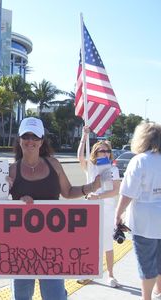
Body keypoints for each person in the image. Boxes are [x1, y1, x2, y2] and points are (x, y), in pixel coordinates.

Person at [9, 117, 100, 300]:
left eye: (35, 137)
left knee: (54, 296)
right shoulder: (11, 171)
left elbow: (67, 191)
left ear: (42, 141)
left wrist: (90, 187)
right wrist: (18, 202)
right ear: (19, 140)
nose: (30, 141)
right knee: (20, 296)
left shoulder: (54, 164)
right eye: (26, 136)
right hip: (21, 247)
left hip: (52, 247)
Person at [115, 122, 161, 300]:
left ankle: (146, 297)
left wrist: (118, 214)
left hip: (144, 220)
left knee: (146, 262)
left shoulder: (140, 160)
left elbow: (127, 193)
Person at [77, 126, 121, 287]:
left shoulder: (114, 169)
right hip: (91, 209)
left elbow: (116, 190)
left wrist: (99, 196)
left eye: (107, 151)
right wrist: (84, 136)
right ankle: (88, 272)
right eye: (101, 151)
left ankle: (110, 275)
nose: (104, 153)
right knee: (90, 242)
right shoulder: (91, 167)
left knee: (107, 244)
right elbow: (80, 156)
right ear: (95, 153)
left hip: (107, 209)